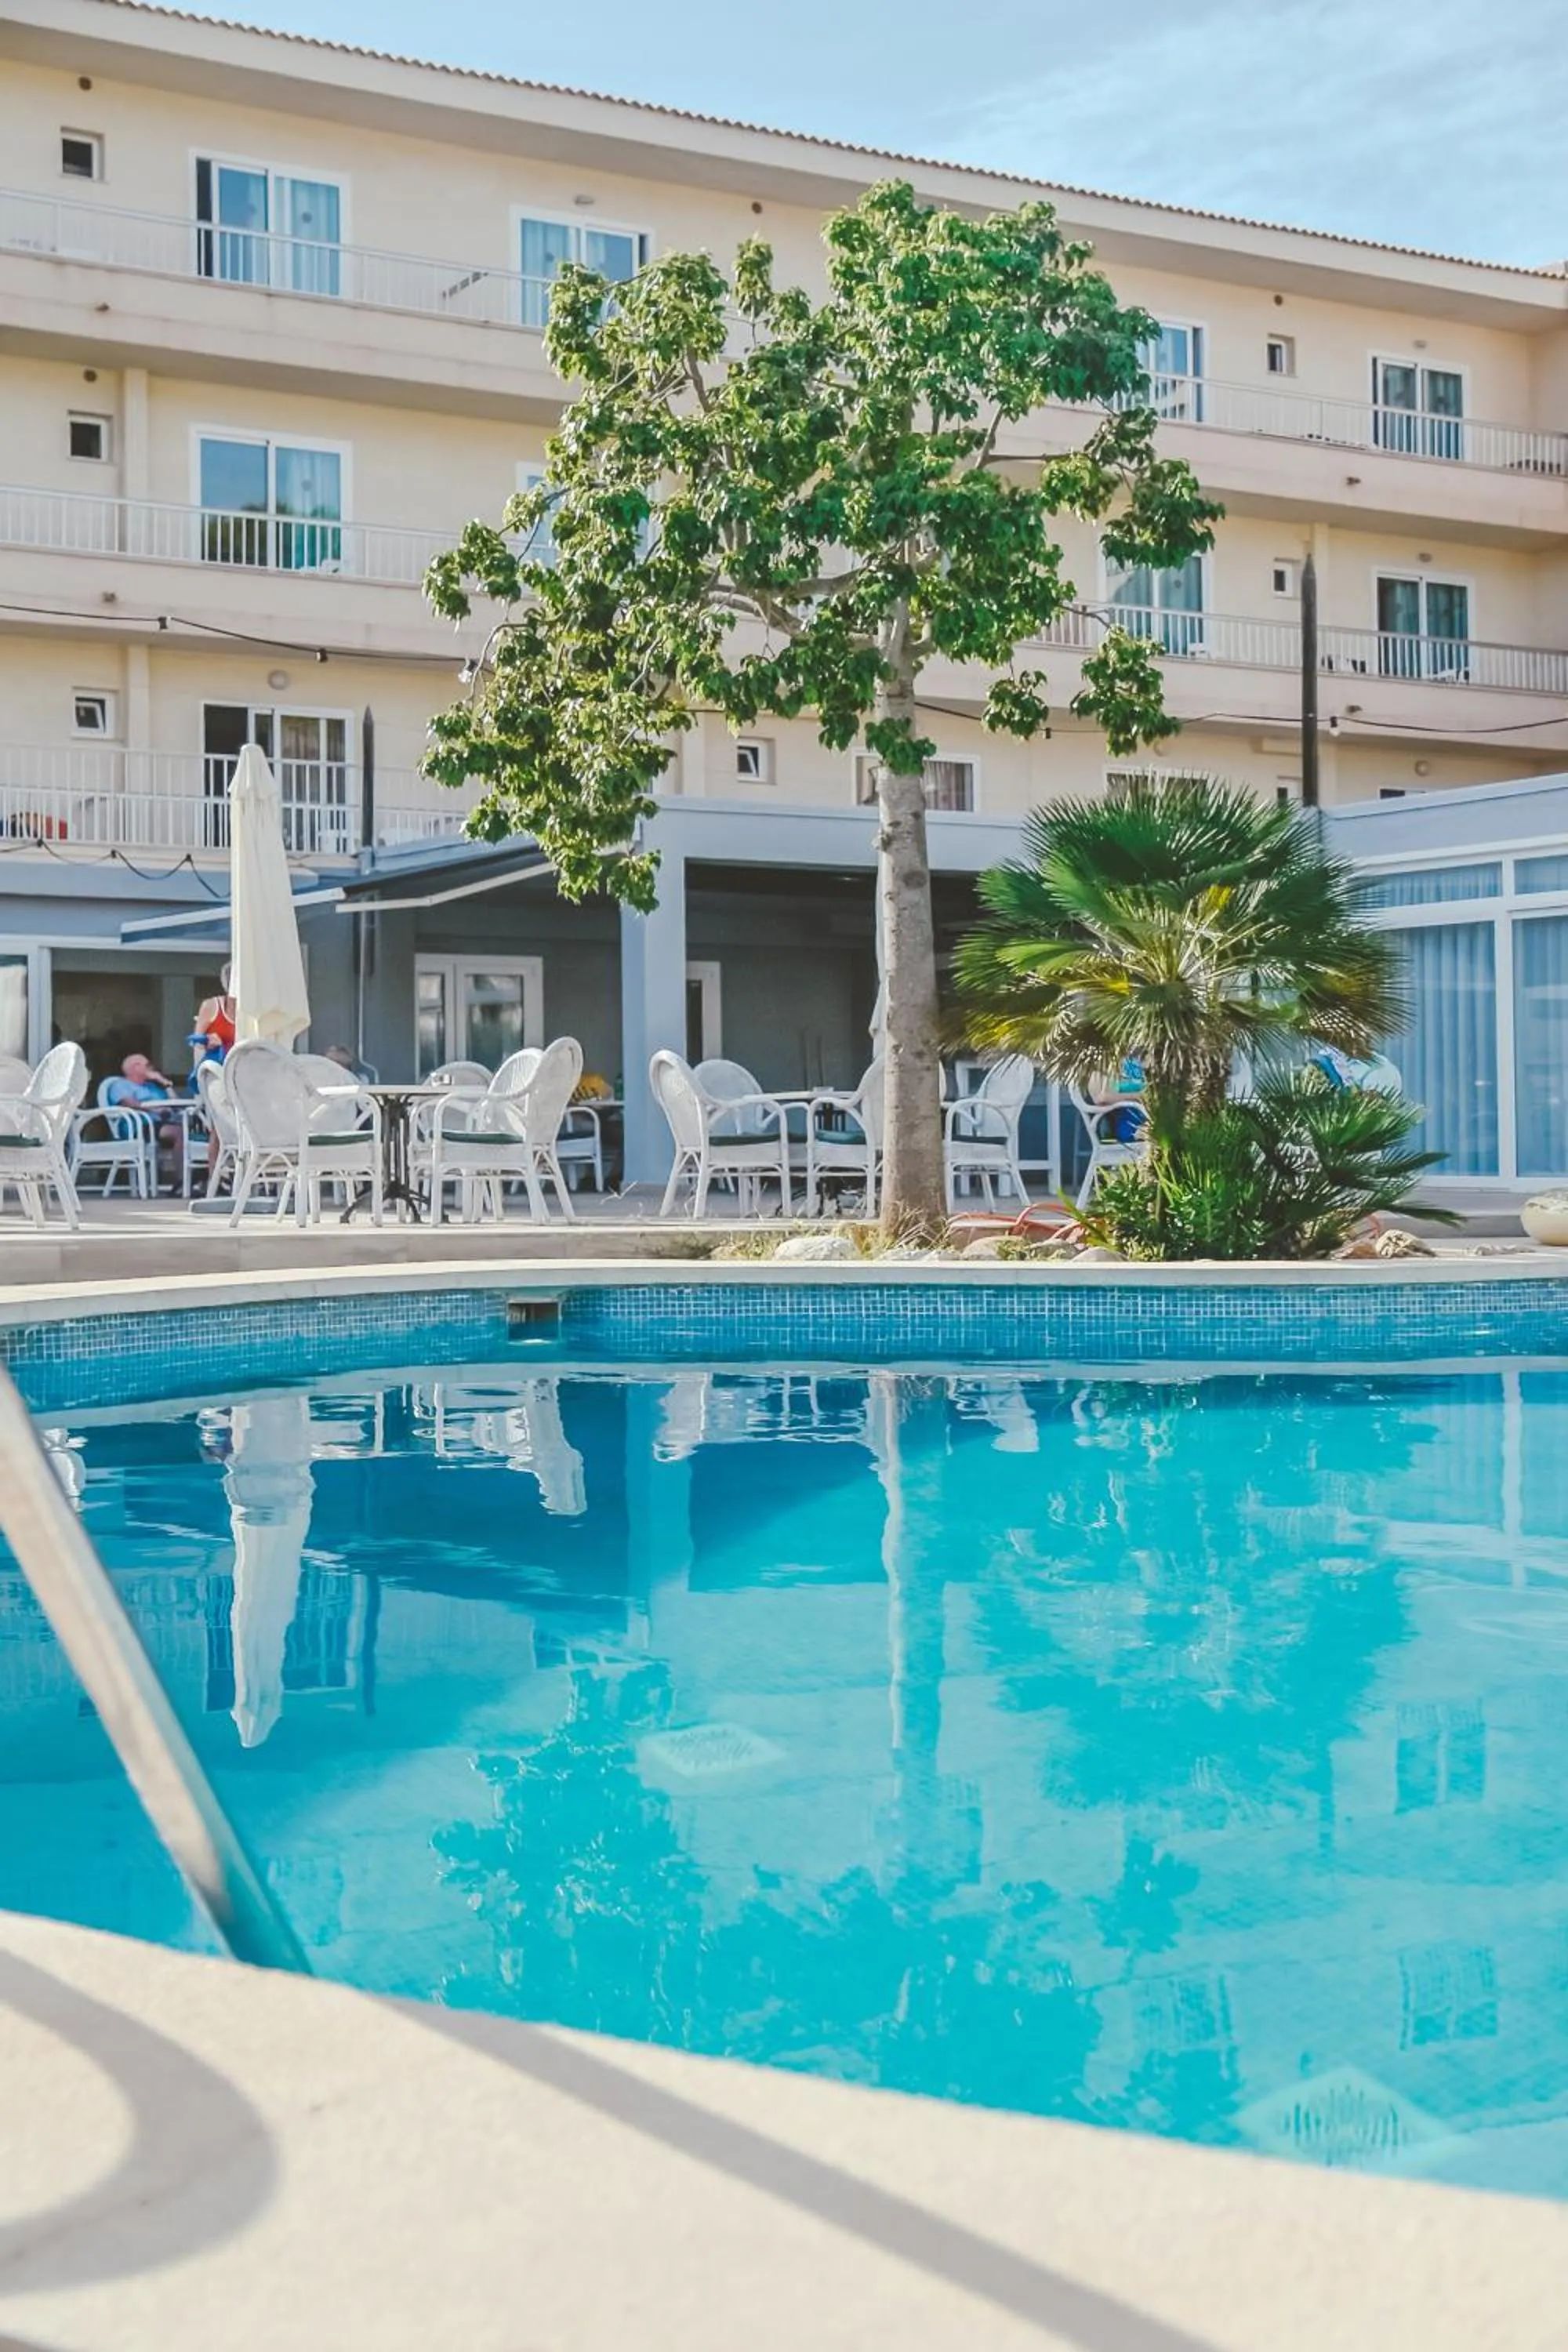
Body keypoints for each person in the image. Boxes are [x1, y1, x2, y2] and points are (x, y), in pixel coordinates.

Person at [194, 964, 236, 1065]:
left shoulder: (254, 1012)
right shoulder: (211, 1006)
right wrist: (207, 1042)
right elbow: (197, 1044)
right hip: (215, 1067)